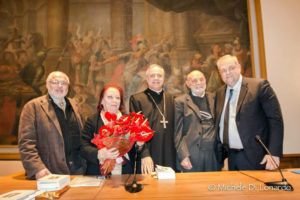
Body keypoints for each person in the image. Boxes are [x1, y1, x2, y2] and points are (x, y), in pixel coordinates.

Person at [215, 55, 283, 171]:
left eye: (231, 68)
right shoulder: (220, 93)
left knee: (256, 189)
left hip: (255, 156)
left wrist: (273, 152)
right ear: (219, 73)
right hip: (230, 156)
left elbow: (275, 120)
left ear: (239, 68)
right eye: (223, 70)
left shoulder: (259, 86)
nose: (228, 73)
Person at [18, 71, 85, 179]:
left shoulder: (75, 105)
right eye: (55, 82)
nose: (59, 86)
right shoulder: (32, 107)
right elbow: (26, 143)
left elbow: (83, 138)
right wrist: (37, 168)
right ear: (47, 85)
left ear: (68, 86)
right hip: (49, 172)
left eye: (63, 83)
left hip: (78, 170)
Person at [129, 64, 176, 174]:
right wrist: (144, 154)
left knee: (170, 188)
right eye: (152, 75)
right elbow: (135, 130)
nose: (156, 78)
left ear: (164, 79)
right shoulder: (137, 99)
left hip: (169, 153)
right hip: (148, 154)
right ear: (147, 79)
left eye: (159, 76)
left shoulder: (172, 99)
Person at [81, 85, 134, 175]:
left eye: (117, 98)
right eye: (110, 97)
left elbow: (135, 149)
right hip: (98, 172)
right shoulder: (92, 120)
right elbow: (83, 147)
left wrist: (140, 145)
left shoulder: (128, 120)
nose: (114, 100)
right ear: (101, 100)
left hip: (125, 171)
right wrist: (99, 153)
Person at [174, 70, 220, 172]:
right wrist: (183, 156)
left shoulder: (215, 98)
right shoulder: (180, 102)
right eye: (194, 81)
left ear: (205, 81)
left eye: (201, 79)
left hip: (214, 155)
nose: (199, 83)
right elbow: (177, 133)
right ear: (188, 84)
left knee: (213, 186)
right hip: (192, 156)